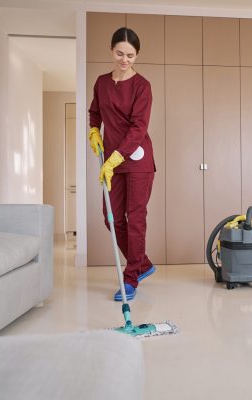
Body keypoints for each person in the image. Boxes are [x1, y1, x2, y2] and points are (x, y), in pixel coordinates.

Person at [88, 27, 156, 301]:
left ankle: (131, 279)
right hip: (111, 163)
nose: (124, 59)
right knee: (110, 217)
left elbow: (139, 128)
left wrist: (115, 158)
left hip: (137, 161)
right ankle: (143, 263)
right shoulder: (102, 82)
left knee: (135, 217)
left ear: (137, 55)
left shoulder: (142, 86)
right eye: (119, 53)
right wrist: (94, 132)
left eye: (130, 55)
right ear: (111, 50)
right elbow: (95, 113)